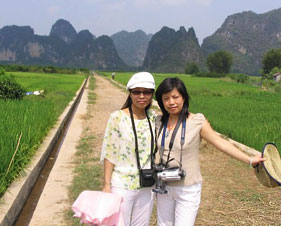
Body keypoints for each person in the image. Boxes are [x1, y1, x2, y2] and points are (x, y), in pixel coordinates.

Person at [154, 77, 266, 226]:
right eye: (166, 98)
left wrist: (250, 160)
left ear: (184, 97)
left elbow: (220, 143)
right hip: (164, 186)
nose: (171, 102)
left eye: (175, 97)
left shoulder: (197, 122)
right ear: (161, 101)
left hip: (187, 187)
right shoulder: (158, 122)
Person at [100, 72, 156, 226]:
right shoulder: (117, 118)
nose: (141, 96)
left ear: (152, 94)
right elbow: (109, 152)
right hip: (122, 184)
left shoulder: (153, 118)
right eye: (136, 92)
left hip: (147, 184)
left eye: (147, 92)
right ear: (130, 94)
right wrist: (106, 185)